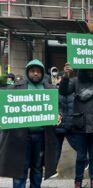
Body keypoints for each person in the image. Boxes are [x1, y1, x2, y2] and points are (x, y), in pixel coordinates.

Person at [0, 59, 59, 188]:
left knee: (37, 168)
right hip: (21, 138)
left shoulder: (50, 89)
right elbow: (5, 104)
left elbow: (57, 108)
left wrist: (59, 115)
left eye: (38, 71)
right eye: (33, 71)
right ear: (27, 72)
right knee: (20, 169)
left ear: (43, 73)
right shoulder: (15, 88)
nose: (36, 74)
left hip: (41, 137)